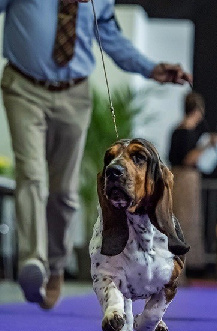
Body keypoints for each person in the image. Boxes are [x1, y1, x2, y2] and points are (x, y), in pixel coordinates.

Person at [0, 0, 192, 309]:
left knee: (64, 191)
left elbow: (112, 38)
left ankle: (55, 268)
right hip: (23, 86)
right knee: (32, 174)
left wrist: (150, 67)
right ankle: (32, 261)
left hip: (74, 94)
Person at [168, 91, 217, 273]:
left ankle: (181, 267)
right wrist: (208, 145)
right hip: (185, 180)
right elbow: (188, 159)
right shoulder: (186, 131)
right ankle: (181, 269)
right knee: (185, 222)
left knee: (182, 222)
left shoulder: (176, 129)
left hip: (177, 178)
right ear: (198, 110)